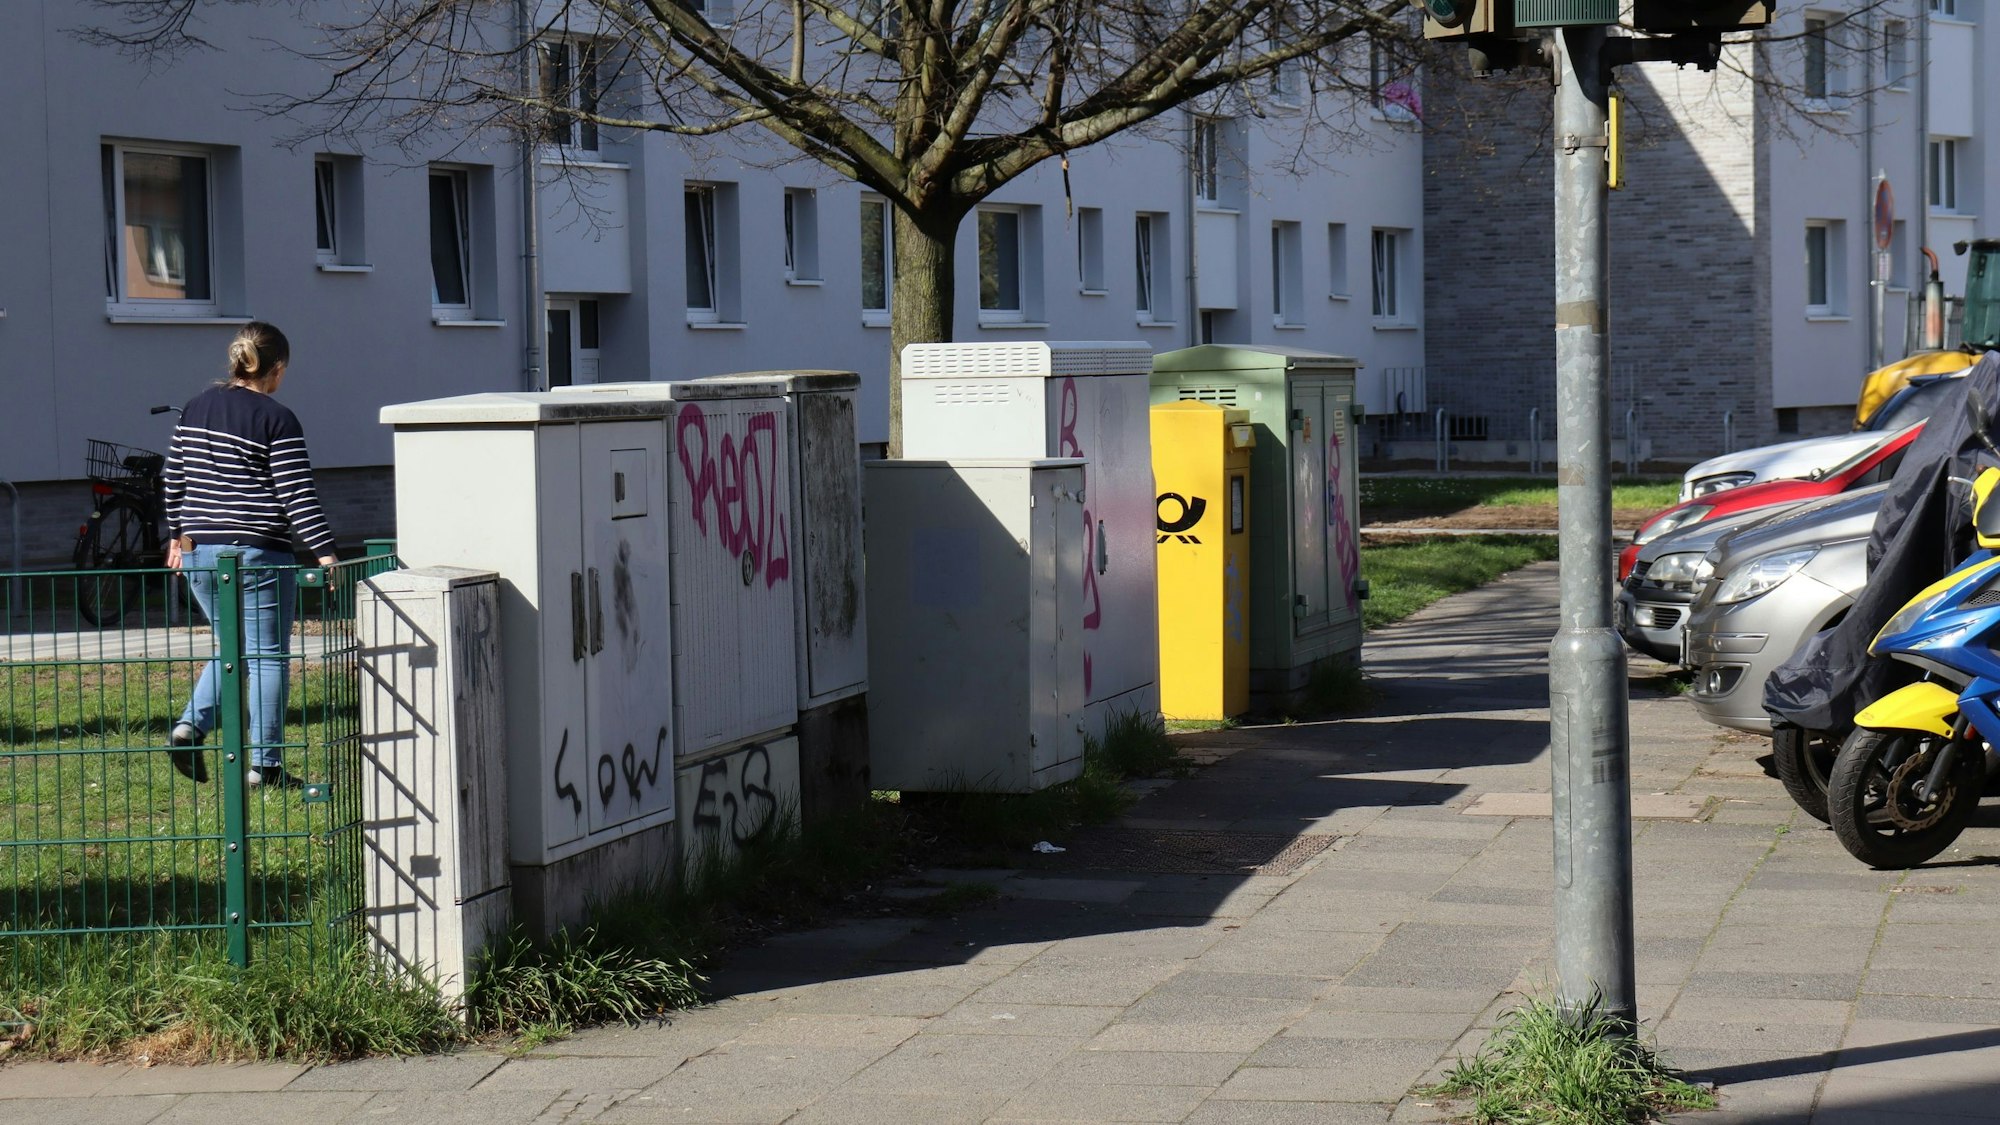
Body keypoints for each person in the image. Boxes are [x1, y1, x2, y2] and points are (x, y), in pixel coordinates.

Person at [162, 321, 339, 787]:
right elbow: (296, 492)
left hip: (198, 551)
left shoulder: (195, 407)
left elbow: (173, 478)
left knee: (233, 650)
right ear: (276, 369)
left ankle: (190, 726)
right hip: (258, 552)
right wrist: (324, 553)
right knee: (266, 657)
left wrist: (176, 535)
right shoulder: (276, 418)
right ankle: (265, 766)